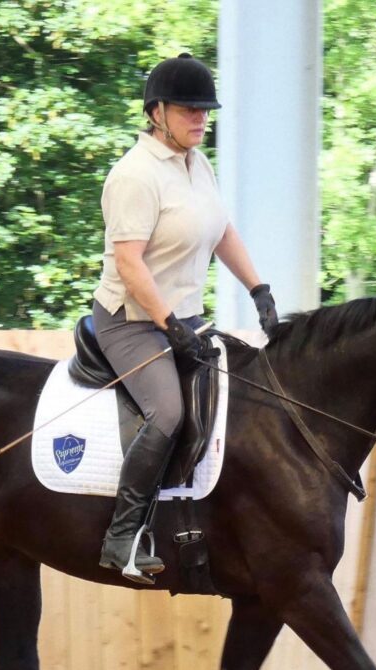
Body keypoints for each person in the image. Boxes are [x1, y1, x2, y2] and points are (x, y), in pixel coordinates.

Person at [93, 52, 278, 582]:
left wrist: (259, 288)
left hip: (185, 316)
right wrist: (169, 324)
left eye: (205, 110)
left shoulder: (199, 165)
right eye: (189, 109)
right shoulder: (135, 175)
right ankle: (122, 535)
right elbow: (129, 263)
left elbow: (221, 231)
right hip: (130, 321)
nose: (201, 118)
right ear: (156, 112)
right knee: (168, 414)